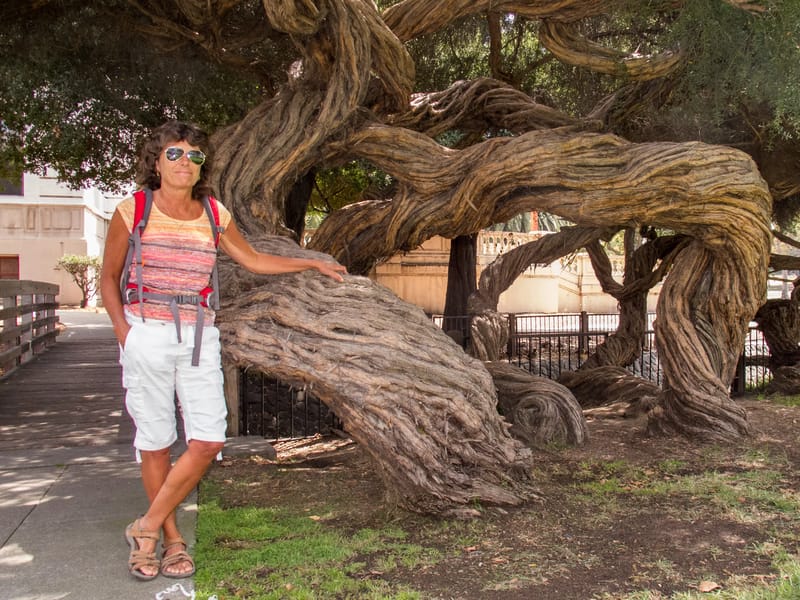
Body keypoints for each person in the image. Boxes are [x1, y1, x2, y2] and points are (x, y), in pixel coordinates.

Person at [100, 120, 346, 581]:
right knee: (154, 443)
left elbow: (252, 259)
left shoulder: (214, 213)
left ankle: (145, 525)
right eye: (174, 154)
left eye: (194, 156)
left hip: (198, 334)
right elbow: (108, 278)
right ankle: (170, 542)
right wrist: (125, 334)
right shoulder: (132, 210)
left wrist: (309, 260)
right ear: (157, 162)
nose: (185, 163)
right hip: (146, 330)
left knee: (209, 438)